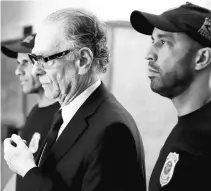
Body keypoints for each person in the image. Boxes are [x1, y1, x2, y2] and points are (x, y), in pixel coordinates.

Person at [4, 8, 146, 191]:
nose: (35, 71)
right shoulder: (66, 113)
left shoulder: (113, 130)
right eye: (34, 59)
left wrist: (28, 170)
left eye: (45, 59)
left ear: (83, 60)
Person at [130, 2, 211, 191]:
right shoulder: (187, 126)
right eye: (152, 41)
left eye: (163, 42)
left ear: (201, 58)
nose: (149, 54)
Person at [2, 34, 60, 191]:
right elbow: (20, 172)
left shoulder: (62, 117)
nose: (17, 71)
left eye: (25, 63)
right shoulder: (35, 112)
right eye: (18, 63)